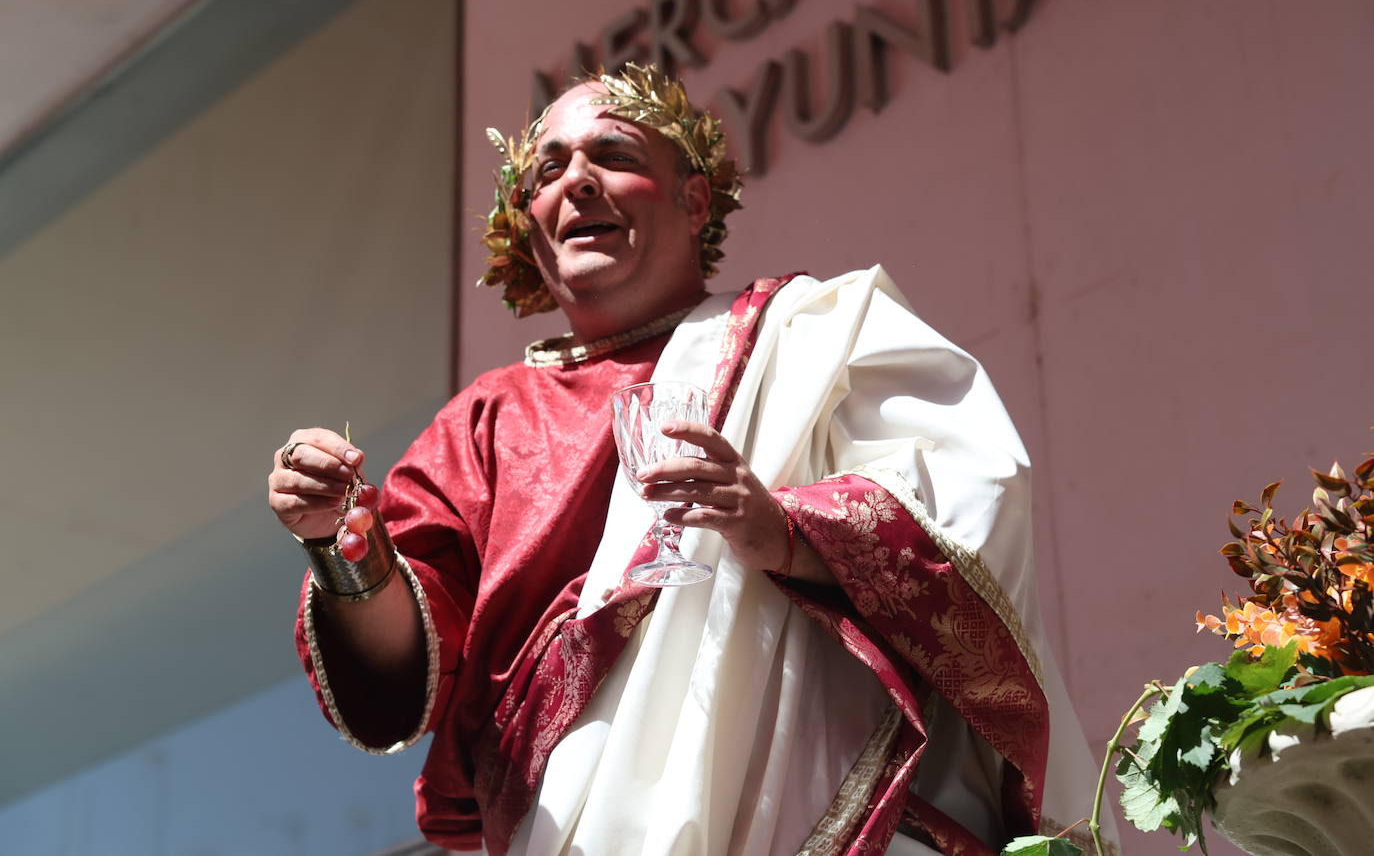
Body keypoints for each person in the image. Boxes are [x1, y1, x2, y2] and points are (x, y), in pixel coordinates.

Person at [267, 64, 1116, 856]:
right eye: (547, 172)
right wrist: (348, 552)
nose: (577, 182)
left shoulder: (821, 332)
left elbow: (976, 492)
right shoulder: (488, 422)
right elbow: (407, 677)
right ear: (529, 231)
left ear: (694, 198)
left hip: (844, 817)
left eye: (614, 155)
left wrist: (783, 530)